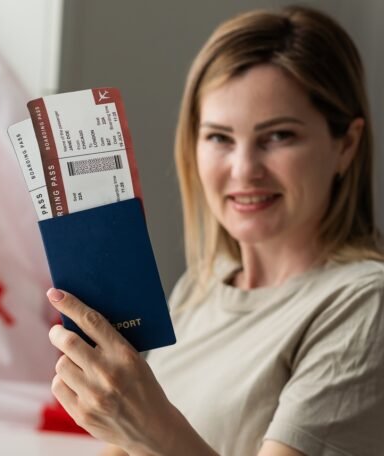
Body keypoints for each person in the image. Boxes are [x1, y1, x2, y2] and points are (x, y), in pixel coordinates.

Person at [46, 5, 384, 455]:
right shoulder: (202, 285)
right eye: (220, 138)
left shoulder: (365, 303)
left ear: (347, 145)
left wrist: (151, 426)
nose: (244, 170)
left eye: (279, 136)